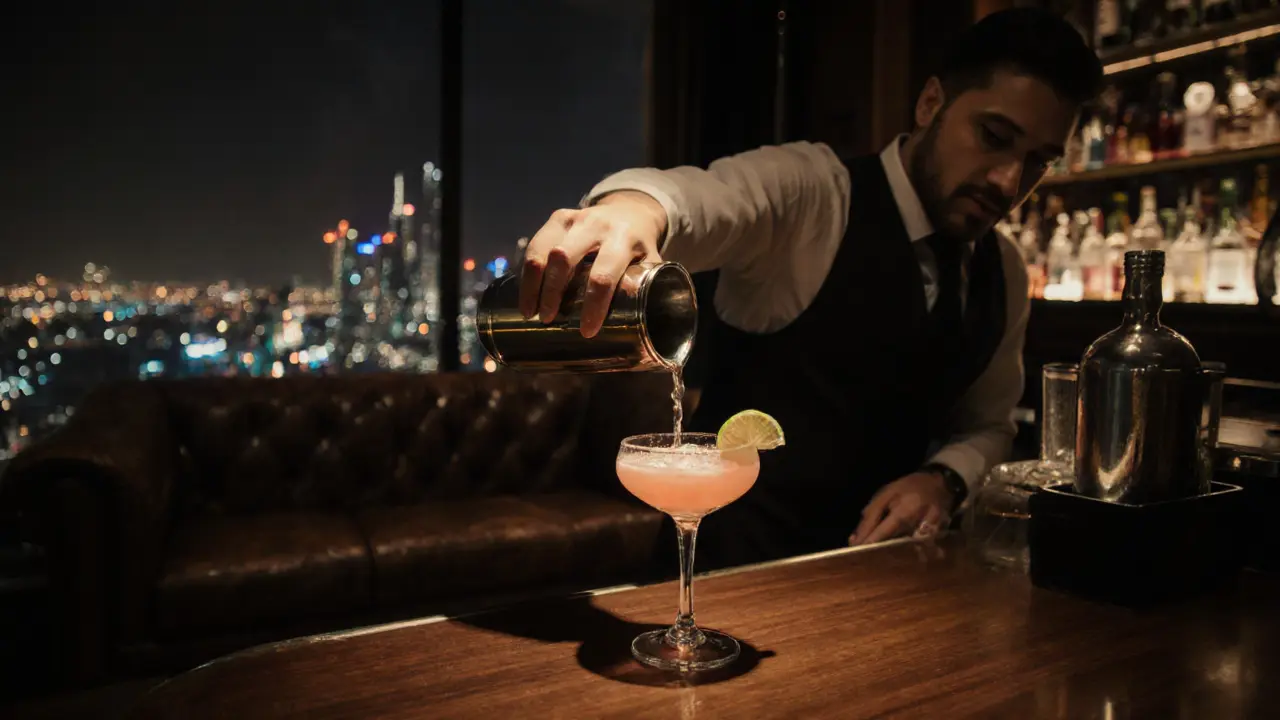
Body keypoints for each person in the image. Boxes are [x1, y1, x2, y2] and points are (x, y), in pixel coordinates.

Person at [518, 8, 1103, 569]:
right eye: (994, 136)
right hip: (734, 582)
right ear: (931, 103)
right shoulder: (816, 193)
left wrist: (944, 479)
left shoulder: (1002, 269)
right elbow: (702, 197)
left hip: (894, 593)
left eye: (1038, 161)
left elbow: (988, 423)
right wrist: (634, 212)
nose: (1008, 180)